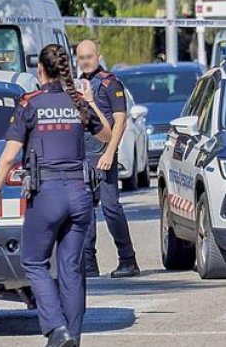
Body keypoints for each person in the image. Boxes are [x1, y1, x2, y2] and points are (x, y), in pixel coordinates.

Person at [0, 44, 112, 347]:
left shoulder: (30, 103)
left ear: (40, 70)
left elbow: (8, 157)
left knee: (33, 262)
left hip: (48, 195)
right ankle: (73, 339)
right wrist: (91, 102)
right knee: (70, 268)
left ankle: (57, 329)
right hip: (80, 195)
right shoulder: (78, 102)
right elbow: (107, 135)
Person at [75, 39, 140, 279]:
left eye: (89, 57)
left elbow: (120, 121)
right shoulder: (78, 85)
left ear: (98, 55)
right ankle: (89, 264)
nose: (86, 61)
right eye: (82, 58)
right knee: (85, 211)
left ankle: (128, 260)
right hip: (83, 155)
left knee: (111, 208)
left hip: (104, 152)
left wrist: (110, 152)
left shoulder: (110, 83)